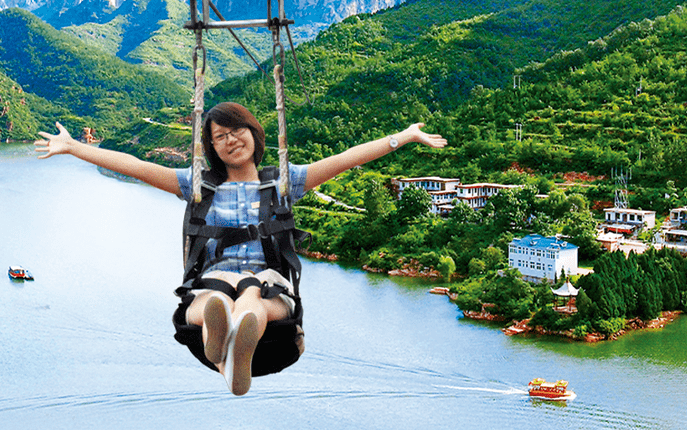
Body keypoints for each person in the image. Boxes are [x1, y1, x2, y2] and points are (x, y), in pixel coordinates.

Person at [34, 102, 446, 395]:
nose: (231, 140)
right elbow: (136, 166)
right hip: (215, 273)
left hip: (266, 276)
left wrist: (404, 138)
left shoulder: (284, 182)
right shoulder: (198, 186)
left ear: (253, 134)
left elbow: (347, 158)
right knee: (210, 294)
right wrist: (74, 148)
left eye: (237, 131)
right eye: (220, 137)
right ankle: (219, 327)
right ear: (211, 149)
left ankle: (238, 331)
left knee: (254, 292)